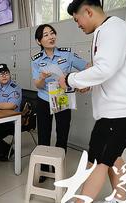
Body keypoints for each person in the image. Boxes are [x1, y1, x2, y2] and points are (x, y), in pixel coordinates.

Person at [56, 0, 126, 203]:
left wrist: (70, 79)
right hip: (118, 111)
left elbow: (105, 69)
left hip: (120, 113)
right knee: (112, 156)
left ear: (87, 11)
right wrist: (88, 83)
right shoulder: (108, 30)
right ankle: (121, 202)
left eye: (77, 19)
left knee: (98, 160)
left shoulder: (112, 29)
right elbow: (108, 72)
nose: (77, 25)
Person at [31, 24, 89, 182]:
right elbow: (38, 85)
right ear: (39, 41)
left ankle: (58, 169)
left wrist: (83, 82)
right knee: (44, 136)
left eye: (52, 33)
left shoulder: (68, 54)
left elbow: (86, 66)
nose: (51, 37)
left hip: (63, 99)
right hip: (44, 100)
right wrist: (42, 77)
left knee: (62, 135)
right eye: (45, 35)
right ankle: (43, 170)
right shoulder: (36, 61)